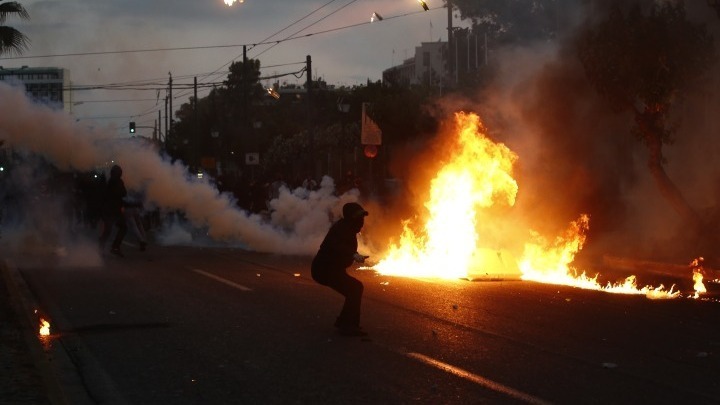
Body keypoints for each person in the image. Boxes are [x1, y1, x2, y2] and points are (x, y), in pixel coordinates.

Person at [311, 202, 370, 336]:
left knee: (355, 288)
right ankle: (347, 325)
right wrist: (353, 254)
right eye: (359, 217)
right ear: (350, 217)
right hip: (324, 269)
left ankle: (346, 323)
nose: (362, 221)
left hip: (333, 269)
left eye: (363, 218)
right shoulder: (341, 229)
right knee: (355, 289)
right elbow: (336, 246)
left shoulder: (348, 228)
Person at [98, 165, 128, 257]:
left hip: (109, 210)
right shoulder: (118, 182)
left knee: (108, 230)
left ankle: (101, 247)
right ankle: (115, 247)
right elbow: (124, 193)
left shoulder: (109, 182)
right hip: (114, 210)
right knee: (123, 228)